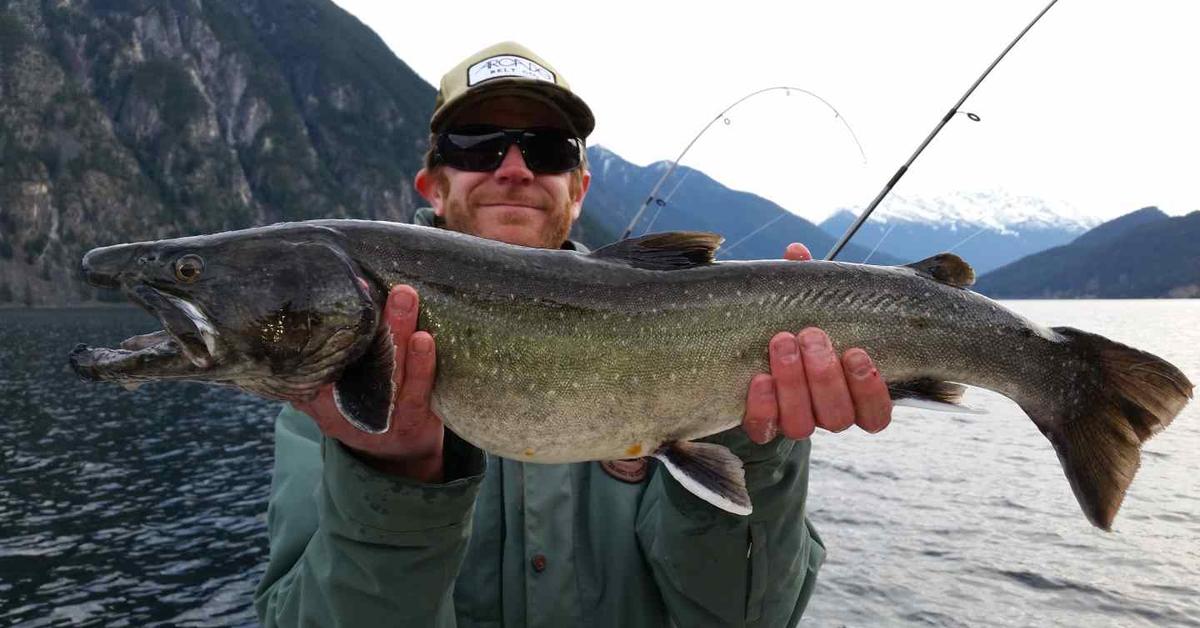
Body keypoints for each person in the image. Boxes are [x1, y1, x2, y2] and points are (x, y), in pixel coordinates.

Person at [255, 41, 893, 627]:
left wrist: (757, 446)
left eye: (548, 149)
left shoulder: (718, 336)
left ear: (580, 188)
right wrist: (391, 479)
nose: (513, 168)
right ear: (433, 184)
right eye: (476, 143)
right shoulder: (342, 384)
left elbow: (744, 620)